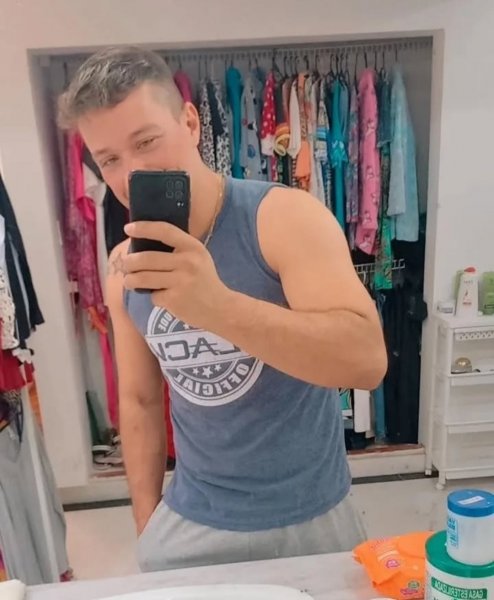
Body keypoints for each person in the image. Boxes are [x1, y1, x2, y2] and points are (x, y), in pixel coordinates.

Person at [58, 46, 387, 572]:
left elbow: (366, 361)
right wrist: (146, 523)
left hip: (312, 515)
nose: (133, 172)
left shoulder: (283, 218)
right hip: (191, 518)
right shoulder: (125, 267)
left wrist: (217, 306)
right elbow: (140, 401)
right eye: (110, 159)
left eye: (146, 141)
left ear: (190, 123)